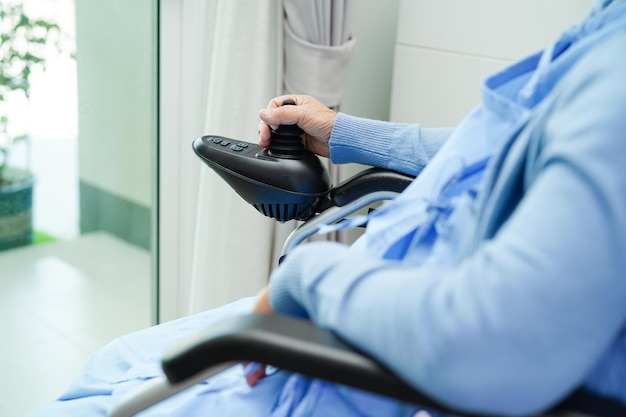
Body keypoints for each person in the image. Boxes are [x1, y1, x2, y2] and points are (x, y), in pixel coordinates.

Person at [28, 1, 626, 416]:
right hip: (371, 315)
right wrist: (343, 131)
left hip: (377, 369)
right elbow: (492, 146)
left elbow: (491, 343)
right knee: (116, 362)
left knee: (95, 400)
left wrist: (309, 278)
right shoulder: (605, 30)